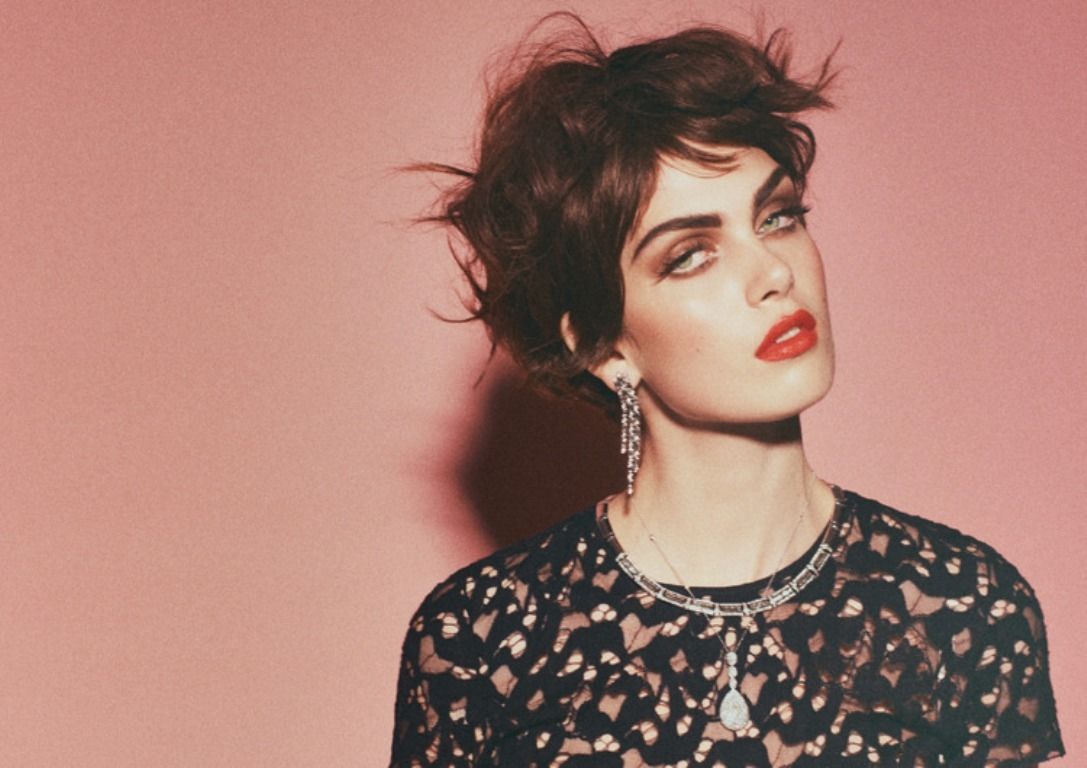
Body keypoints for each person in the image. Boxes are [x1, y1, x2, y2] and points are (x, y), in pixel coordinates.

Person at [389, 14, 1064, 767]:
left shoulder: (961, 603)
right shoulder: (481, 639)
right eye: (689, 255)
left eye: (777, 217)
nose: (773, 273)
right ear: (601, 346)